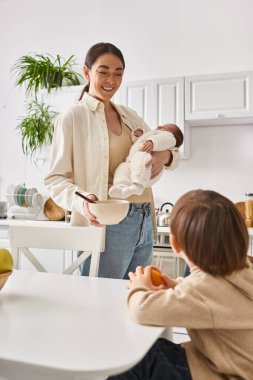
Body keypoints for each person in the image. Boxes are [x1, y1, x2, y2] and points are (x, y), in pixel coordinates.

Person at [44, 42, 181, 279]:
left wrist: (165, 154)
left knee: (137, 298)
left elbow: (169, 148)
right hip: (107, 221)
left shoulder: (130, 115)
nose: (111, 80)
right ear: (87, 73)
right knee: (99, 303)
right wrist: (83, 203)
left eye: (118, 73)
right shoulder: (72, 117)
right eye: (103, 71)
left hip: (145, 219)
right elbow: (55, 180)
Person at [108, 189, 253, 379]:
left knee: (137, 360)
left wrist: (139, 287)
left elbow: (142, 310)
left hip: (223, 374)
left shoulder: (202, 291)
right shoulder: (244, 268)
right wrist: (175, 286)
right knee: (156, 349)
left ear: (175, 244)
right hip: (236, 365)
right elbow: (215, 295)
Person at [109, 123, 183, 199]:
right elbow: (139, 143)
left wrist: (153, 143)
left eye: (165, 128)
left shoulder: (166, 137)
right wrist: (138, 136)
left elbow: (165, 140)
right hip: (131, 163)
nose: (159, 126)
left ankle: (137, 186)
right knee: (122, 167)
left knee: (141, 157)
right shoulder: (152, 134)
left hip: (147, 168)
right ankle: (121, 187)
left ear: (173, 136)